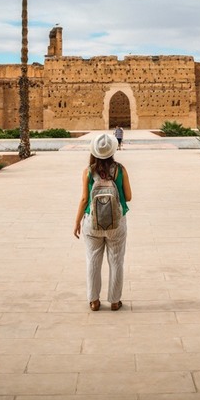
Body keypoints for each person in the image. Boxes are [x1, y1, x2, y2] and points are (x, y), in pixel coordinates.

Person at [73, 133, 132, 311]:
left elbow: (84, 200)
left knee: (92, 260)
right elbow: (128, 197)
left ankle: (94, 301)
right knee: (116, 261)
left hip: (92, 222)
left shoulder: (88, 172)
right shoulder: (120, 169)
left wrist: (77, 222)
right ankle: (114, 301)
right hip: (117, 222)